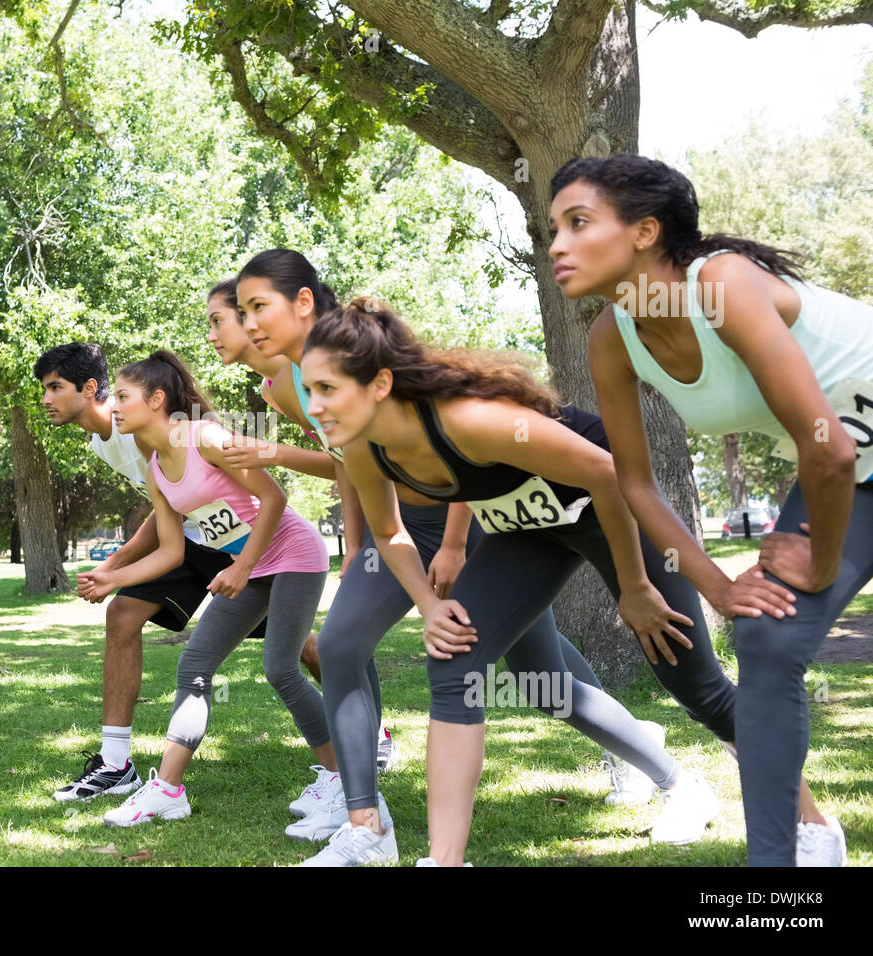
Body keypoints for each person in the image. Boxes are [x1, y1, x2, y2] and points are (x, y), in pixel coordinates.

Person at [236, 250, 693, 866]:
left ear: (302, 302)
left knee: (543, 681)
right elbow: (351, 468)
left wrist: (455, 543)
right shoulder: (285, 388)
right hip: (398, 532)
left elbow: (459, 451)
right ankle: (366, 824)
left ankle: (650, 759)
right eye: (237, 313)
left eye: (253, 307)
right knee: (340, 644)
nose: (243, 325)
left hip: (471, 523)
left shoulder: (363, 350)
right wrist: (361, 546)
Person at [551, 153, 863, 866]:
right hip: (853, 473)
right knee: (765, 640)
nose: (558, 245)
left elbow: (830, 451)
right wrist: (718, 588)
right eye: (553, 229)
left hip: (841, 463)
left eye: (578, 223)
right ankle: (790, 863)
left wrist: (818, 566)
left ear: (644, 231)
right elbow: (635, 483)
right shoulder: (612, 338)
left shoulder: (721, 284)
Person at [74, 351, 371, 832]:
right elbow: (171, 552)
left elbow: (274, 496)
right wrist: (114, 577)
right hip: (250, 567)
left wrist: (244, 565)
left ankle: (345, 781)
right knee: (194, 666)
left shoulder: (204, 438)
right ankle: (169, 790)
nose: (116, 407)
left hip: (293, 555)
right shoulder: (155, 468)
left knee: (280, 668)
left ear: (156, 400)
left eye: (124, 397)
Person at [34, 343, 316, 801]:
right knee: (124, 615)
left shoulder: (135, 424)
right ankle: (115, 764)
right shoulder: (102, 441)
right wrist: (115, 573)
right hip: (189, 540)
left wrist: (114, 564)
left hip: (224, 538)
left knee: (297, 644)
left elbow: (173, 501)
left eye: (54, 387)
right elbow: (164, 506)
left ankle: (366, 731)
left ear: (88, 388)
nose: (46, 399)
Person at [205, 277, 399, 775]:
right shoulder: (274, 388)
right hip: (380, 510)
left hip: (416, 501)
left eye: (220, 320)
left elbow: (349, 453)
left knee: (524, 646)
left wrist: (270, 452)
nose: (213, 335)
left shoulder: (302, 369)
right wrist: (354, 540)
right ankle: (367, 748)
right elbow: (343, 460)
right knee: (345, 637)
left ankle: (368, 749)